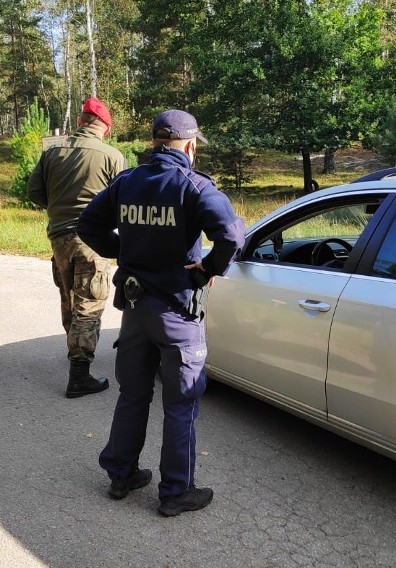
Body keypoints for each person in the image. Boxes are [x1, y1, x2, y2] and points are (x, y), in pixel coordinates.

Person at [77, 109, 245, 516]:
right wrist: (207, 269)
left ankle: (121, 474)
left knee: (133, 393)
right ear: (189, 146)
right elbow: (231, 236)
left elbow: (87, 225)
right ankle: (175, 492)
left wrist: (125, 252)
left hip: (135, 310)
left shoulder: (127, 181)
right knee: (181, 401)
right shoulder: (195, 185)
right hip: (177, 313)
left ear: (154, 143)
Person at [27, 97, 126, 398]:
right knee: (90, 303)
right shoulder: (112, 156)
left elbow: (34, 193)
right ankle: (79, 374)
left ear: (80, 123)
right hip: (93, 240)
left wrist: (59, 209)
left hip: (59, 238)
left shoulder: (52, 152)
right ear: (105, 129)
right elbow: (122, 200)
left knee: (70, 299)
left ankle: (75, 356)